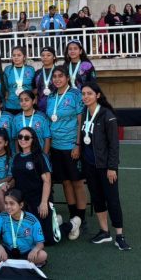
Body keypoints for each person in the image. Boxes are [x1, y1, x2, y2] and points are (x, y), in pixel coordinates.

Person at [79, 83, 131, 250]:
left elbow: (114, 145)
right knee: (97, 198)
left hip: (105, 166)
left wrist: (112, 167)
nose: (85, 96)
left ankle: (119, 235)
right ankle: (104, 232)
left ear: (98, 95)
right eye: (83, 94)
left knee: (112, 200)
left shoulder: (107, 115)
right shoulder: (84, 112)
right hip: (89, 165)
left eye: (89, 93)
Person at [9, 127, 78, 245]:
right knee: (29, 237)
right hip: (23, 203)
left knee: (49, 240)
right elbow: (16, 179)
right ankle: (55, 220)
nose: (22, 140)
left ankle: (73, 224)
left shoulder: (39, 157)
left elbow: (47, 181)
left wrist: (44, 203)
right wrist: (8, 184)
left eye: (26, 137)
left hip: (39, 200)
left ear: (33, 140)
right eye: (20, 137)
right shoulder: (16, 158)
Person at [46, 67, 86, 238]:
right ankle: (72, 218)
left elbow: (80, 120)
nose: (57, 79)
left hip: (71, 145)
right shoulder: (51, 97)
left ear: (67, 78)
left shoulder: (75, 94)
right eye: (54, 77)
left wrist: (77, 144)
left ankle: (81, 219)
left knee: (77, 182)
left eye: (60, 76)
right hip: (56, 146)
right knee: (65, 182)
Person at [0, 189, 47, 267]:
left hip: (26, 252)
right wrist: (0, 248)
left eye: (12, 203)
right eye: (6, 203)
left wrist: (35, 250)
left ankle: (7, 263)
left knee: (43, 255)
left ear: (21, 205)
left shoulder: (32, 220)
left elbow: (40, 243)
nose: (8, 207)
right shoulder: (2, 216)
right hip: (7, 252)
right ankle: (19, 264)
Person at [3, 46, 36, 114]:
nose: (16, 57)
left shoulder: (30, 69)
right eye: (14, 55)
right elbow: (5, 87)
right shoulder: (7, 69)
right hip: (11, 105)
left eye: (19, 55)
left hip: (27, 105)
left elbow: (34, 88)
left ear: (24, 57)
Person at [34, 46, 57, 111]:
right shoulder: (37, 73)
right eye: (43, 55)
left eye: (48, 55)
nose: (45, 57)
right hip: (40, 107)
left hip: (57, 106)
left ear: (54, 57)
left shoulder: (59, 72)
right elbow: (34, 90)